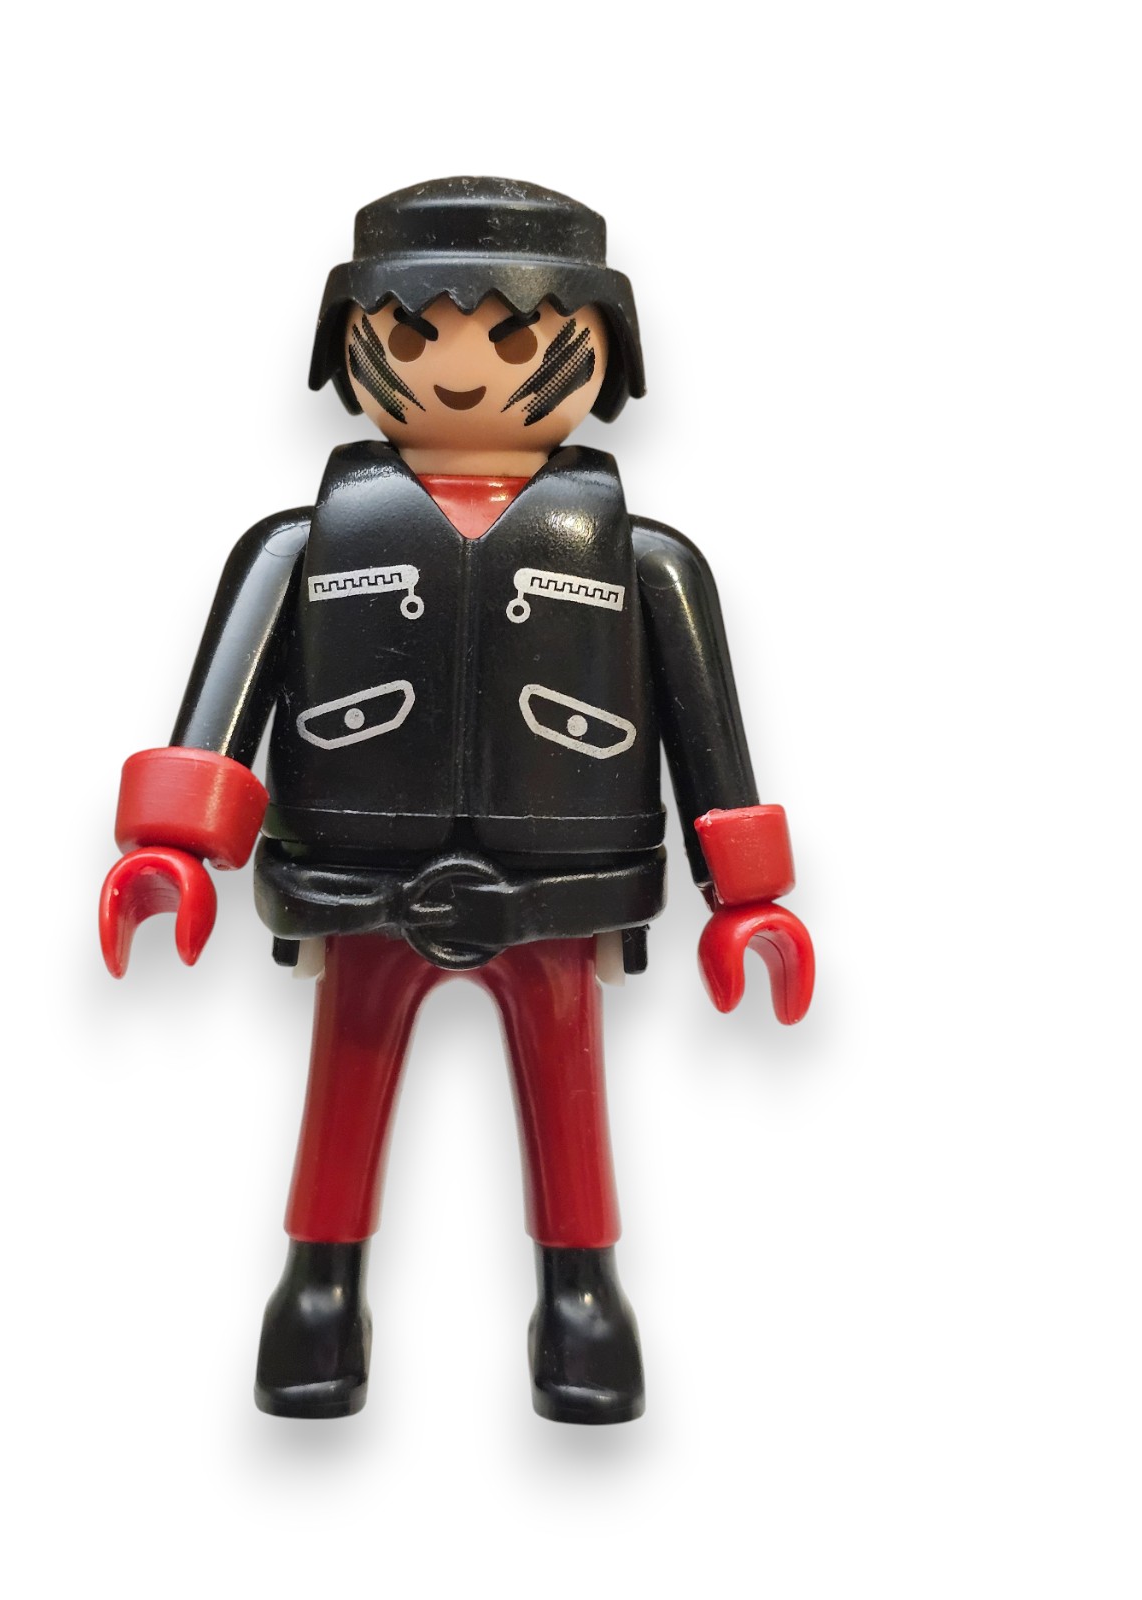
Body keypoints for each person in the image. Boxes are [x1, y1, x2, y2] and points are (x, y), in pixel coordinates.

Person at [99, 176, 815, 1424]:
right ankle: (318, 1287)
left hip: (556, 887)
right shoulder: (300, 547)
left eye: (518, 338)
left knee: (567, 1090)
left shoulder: (643, 560)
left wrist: (747, 896)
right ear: (351, 342)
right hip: (359, 875)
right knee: (344, 1084)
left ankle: (580, 1296)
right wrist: (170, 846)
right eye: (414, 335)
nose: (464, 371)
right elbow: (219, 709)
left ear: (601, 347)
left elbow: (713, 734)